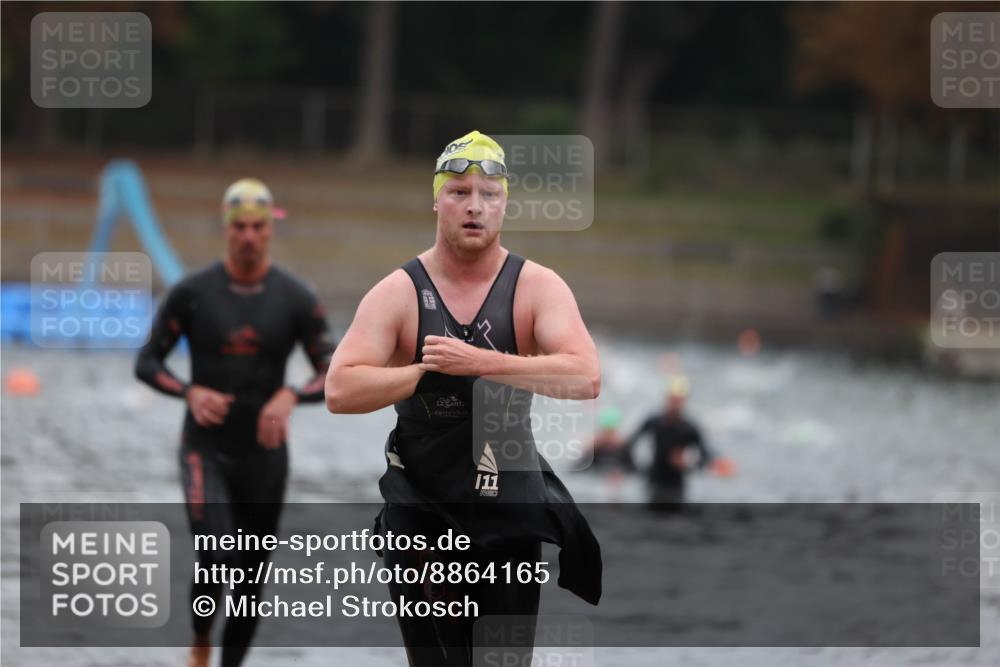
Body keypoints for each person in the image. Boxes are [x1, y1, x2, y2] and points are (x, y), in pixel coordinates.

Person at [325, 130, 602, 666]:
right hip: (423, 511)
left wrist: (480, 363)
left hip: (508, 507)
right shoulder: (399, 292)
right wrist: (423, 373)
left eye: (488, 194)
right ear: (436, 199)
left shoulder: (536, 287)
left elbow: (586, 377)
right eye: (458, 192)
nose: (474, 206)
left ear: (505, 203)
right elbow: (340, 389)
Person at [134, 178, 335, 667]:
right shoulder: (191, 294)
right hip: (205, 447)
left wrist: (289, 395)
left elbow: (333, 371)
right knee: (218, 553)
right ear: (226, 228)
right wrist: (189, 390)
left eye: (258, 227)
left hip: (265, 455)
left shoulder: (295, 298)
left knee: (249, 577)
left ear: (271, 230)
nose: (248, 236)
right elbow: (147, 362)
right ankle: (201, 642)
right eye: (240, 226)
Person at [623, 375, 715, 510]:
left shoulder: (689, 428)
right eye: (673, 399)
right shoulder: (654, 422)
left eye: (679, 400)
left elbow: (705, 457)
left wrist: (688, 463)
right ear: (666, 398)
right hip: (654, 483)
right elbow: (630, 444)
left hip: (677, 487)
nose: (675, 404)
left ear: (684, 401)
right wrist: (634, 469)